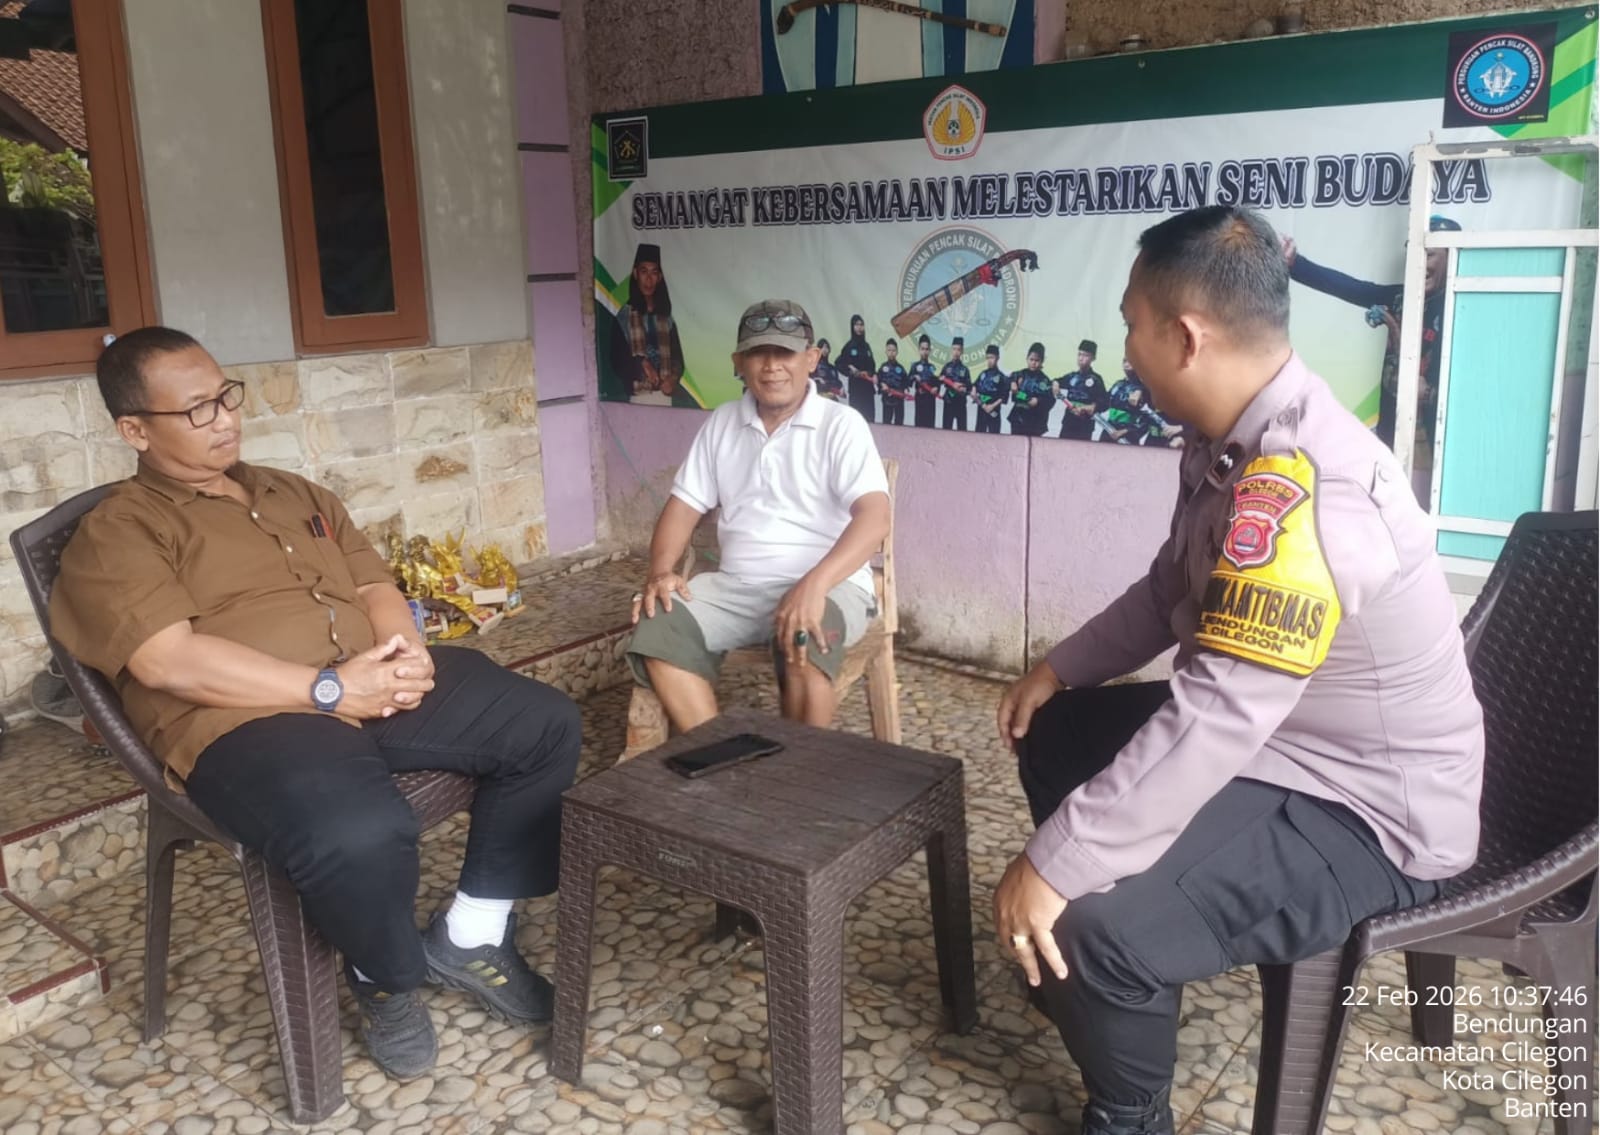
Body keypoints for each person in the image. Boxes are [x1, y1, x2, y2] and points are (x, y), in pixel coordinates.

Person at [992, 207, 1483, 1135]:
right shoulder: (1229, 438)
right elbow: (1168, 587)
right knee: (1055, 732)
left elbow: (1218, 714)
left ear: (1186, 337)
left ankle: (1130, 1105)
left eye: (1132, 324)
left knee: (1096, 923)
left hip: (1366, 806)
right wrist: (1056, 667)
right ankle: (1104, 974)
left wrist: (1056, 863)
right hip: (1282, 737)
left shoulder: (1302, 484)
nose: (1125, 348)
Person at [49, 328, 583, 1082]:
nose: (225, 419)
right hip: (251, 718)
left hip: (362, 678)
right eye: (196, 410)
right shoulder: (121, 529)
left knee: (543, 724)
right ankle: (385, 982)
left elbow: (373, 585)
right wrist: (329, 690)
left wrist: (405, 652)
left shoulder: (291, 492)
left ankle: (471, 933)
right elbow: (167, 660)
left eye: (225, 397)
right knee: (358, 830)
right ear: (135, 431)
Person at [626, 299, 890, 734]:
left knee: (805, 634)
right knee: (659, 625)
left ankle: (797, 770)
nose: (771, 367)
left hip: (829, 585)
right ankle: (718, 754)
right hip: (737, 587)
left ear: (811, 359)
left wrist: (815, 585)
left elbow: (876, 518)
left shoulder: (841, 424)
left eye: (785, 353)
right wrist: (660, 573)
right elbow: (682, 507)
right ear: (739, 363)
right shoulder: (722, 423)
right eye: (758, 353)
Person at [1284, 215, 1460, 450]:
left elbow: (1475, 391)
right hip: (1390, 435)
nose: (1419, 262)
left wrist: (1429, 394)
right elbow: (1349, 288)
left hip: (1437, 445)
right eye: (1414, 254)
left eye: (1429, 254)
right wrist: (1294, 263)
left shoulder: (1462, 309)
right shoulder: (1400, 298)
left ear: (1451, 257)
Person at [607, 243, 694, 407]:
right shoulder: (624, 317)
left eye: (654, 273)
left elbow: (677, 358)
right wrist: (642, 364)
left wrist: (673, 378)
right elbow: (617, 361)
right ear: (635, 274)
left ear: (659, 277)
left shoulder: (665, 317)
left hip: (665, 397)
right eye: (644, 272)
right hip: (638, 397)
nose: (649, 279)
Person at [1055, 338, 1107, 441]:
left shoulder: (1096, 379)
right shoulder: (1072, 376)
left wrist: (1091, 407)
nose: (1081, 358)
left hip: (1085, 425)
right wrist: (1055, 384)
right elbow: (1056, 381)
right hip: (1068, 422)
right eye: (1079, 354)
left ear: (1093, 358)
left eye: (1085, 355)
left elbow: (1104, 402)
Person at [837, 313, 879, 421]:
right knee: (856, 419)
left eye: (861, 325)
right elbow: (839, 363)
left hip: (868, 388)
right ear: (852, 327)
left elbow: (872, 365)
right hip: (856, 388)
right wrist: (850, 370)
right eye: (856, 325)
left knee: (869, 418)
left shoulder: (867, 346)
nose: (859, 327)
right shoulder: (849, 346)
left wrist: (873, 374)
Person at [1007, 342, 1053, 438]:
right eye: (1031, 359)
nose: (1033, 363)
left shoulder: (1045, 380)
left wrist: (1038, 401)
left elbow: (1050, 400)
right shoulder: (1019, 374)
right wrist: (1012, 382)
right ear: (1027, 359)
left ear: (1042, 361)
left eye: (1037, 360)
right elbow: (1006, 379)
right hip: (1017, 419)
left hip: (1035, 421)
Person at [972, 344, 1008, 434]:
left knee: (994, 436)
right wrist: (974, 393)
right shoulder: (982, 374)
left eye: (992, 357)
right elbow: (974, 388)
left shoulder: (1002, 377)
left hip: (994, 411)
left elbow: (1003, 396)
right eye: (987, 358)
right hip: (981, 409)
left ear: (997, 358)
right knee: (979, 436)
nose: (989, 361)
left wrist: (991, 406)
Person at [939, 336, 972, 430]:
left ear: (962, 351)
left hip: (960, 403)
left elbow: (969, 387)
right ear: (951, 350)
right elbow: (939, 380)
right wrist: (942, 380)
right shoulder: (947, 367)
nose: (956, 352)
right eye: (954, 349)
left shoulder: (965, 369)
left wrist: (963, 388)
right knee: (946, 430)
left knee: (962, 430)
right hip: (948, 402)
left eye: (958, 349)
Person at [877, 338, 912, 426]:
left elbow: (906, 382)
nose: (891, 353)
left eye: (893, 350)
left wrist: (906, 389)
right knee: (886, 425)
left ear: (897, 352)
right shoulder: (883, 367)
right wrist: (881, 385)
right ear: (886, 351)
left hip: (899, 400)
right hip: (887, 400)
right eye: (889, 350)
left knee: (899, 425)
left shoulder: (901, 368)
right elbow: (878, 380)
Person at [910, 334, 940, 428]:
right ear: (919, 350)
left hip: (930, 400)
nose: (925, 352)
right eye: (922, 349)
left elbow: (938, 383)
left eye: (927, 349)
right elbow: (908, 381)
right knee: (918, 427)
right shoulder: (914, 366)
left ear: (930, 350)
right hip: (920, 398)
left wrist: (937, 388)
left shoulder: (933, 367)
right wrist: (914, 376)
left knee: (930, 426)